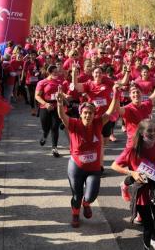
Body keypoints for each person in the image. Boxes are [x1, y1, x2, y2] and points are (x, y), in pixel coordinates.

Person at [56, 84, 118, 228]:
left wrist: (115, 94)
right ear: (80, 114)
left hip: (94, 168)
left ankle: (86, 203)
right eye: (85, 113)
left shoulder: (98, 123)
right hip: (76, 167)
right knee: (76, 196)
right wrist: (60, 103)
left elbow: (110, 111)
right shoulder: (73, 124)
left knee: (91, 196)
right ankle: (75, 214)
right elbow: (62, 116)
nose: (88, 115)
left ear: (94, 114)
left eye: (90, 113)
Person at [111, 119, 155, 250]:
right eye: (149, 131)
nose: (153, 133)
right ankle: (147, 246)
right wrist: (132, 173)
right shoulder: (133, 148)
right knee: (148, 225)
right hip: (141, 190)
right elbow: (114, 165)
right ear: (142, 132)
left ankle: (154, 239)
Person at [35, 64, 63, 157]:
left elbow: (63, 94)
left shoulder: (60, 82)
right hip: (45, 106)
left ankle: (54, 148)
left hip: (56, 106)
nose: (57, 74)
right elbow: (37, 96)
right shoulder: (42, 82)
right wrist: (46, 104)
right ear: (49, 73)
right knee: (45, 126)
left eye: (57, 72)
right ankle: (44, 135)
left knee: (55, 127)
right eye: (54, 72)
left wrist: (65, 98)